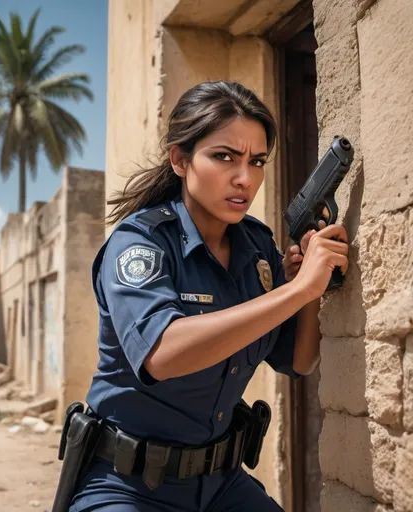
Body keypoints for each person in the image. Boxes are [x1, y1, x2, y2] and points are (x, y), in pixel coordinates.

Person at [68, 81, 349, 511]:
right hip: (127, 486)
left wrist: (309, 286)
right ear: (180, 160)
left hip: (221, 484)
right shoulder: (140, 244)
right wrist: (298, 289)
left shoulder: (256, 246)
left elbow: (299, 360)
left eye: (257, 161)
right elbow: (165, 354)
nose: (244, 178)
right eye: (224, 157)